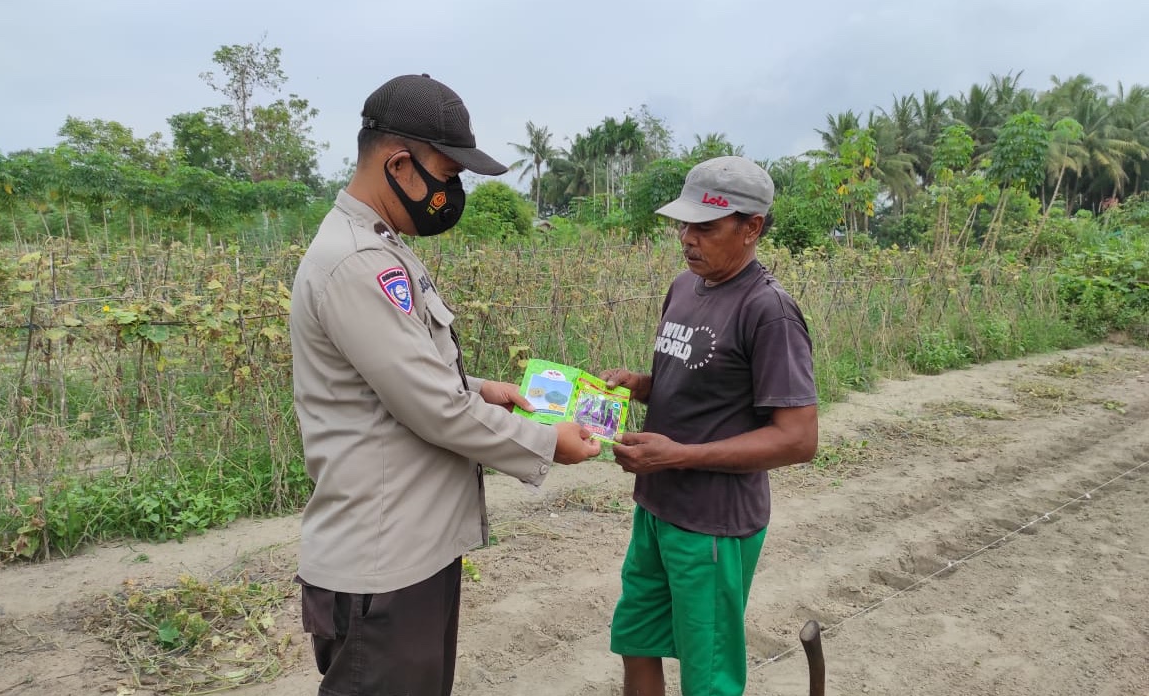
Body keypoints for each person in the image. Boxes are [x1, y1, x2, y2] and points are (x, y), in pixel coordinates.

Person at [288, 73, 601, 696]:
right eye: (448, 174)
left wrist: (480, 388)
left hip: (409, 550)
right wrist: (547, 443)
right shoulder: (358, 261)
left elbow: (396, 375)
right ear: (398, 164)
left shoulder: (381, 244)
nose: (452, 192)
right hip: (384, 564)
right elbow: (433, 408)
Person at [601, 156, 819, 696]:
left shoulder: (769, 311)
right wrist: (640, 384)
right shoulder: (684, 286)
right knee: (637, 640)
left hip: (713, 525)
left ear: (752, 228)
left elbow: (798, 439)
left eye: (706, 227)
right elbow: (699, 380)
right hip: (657, 507)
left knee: (708, 677)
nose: (687, 238)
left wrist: (678, 455)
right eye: (684, 224)